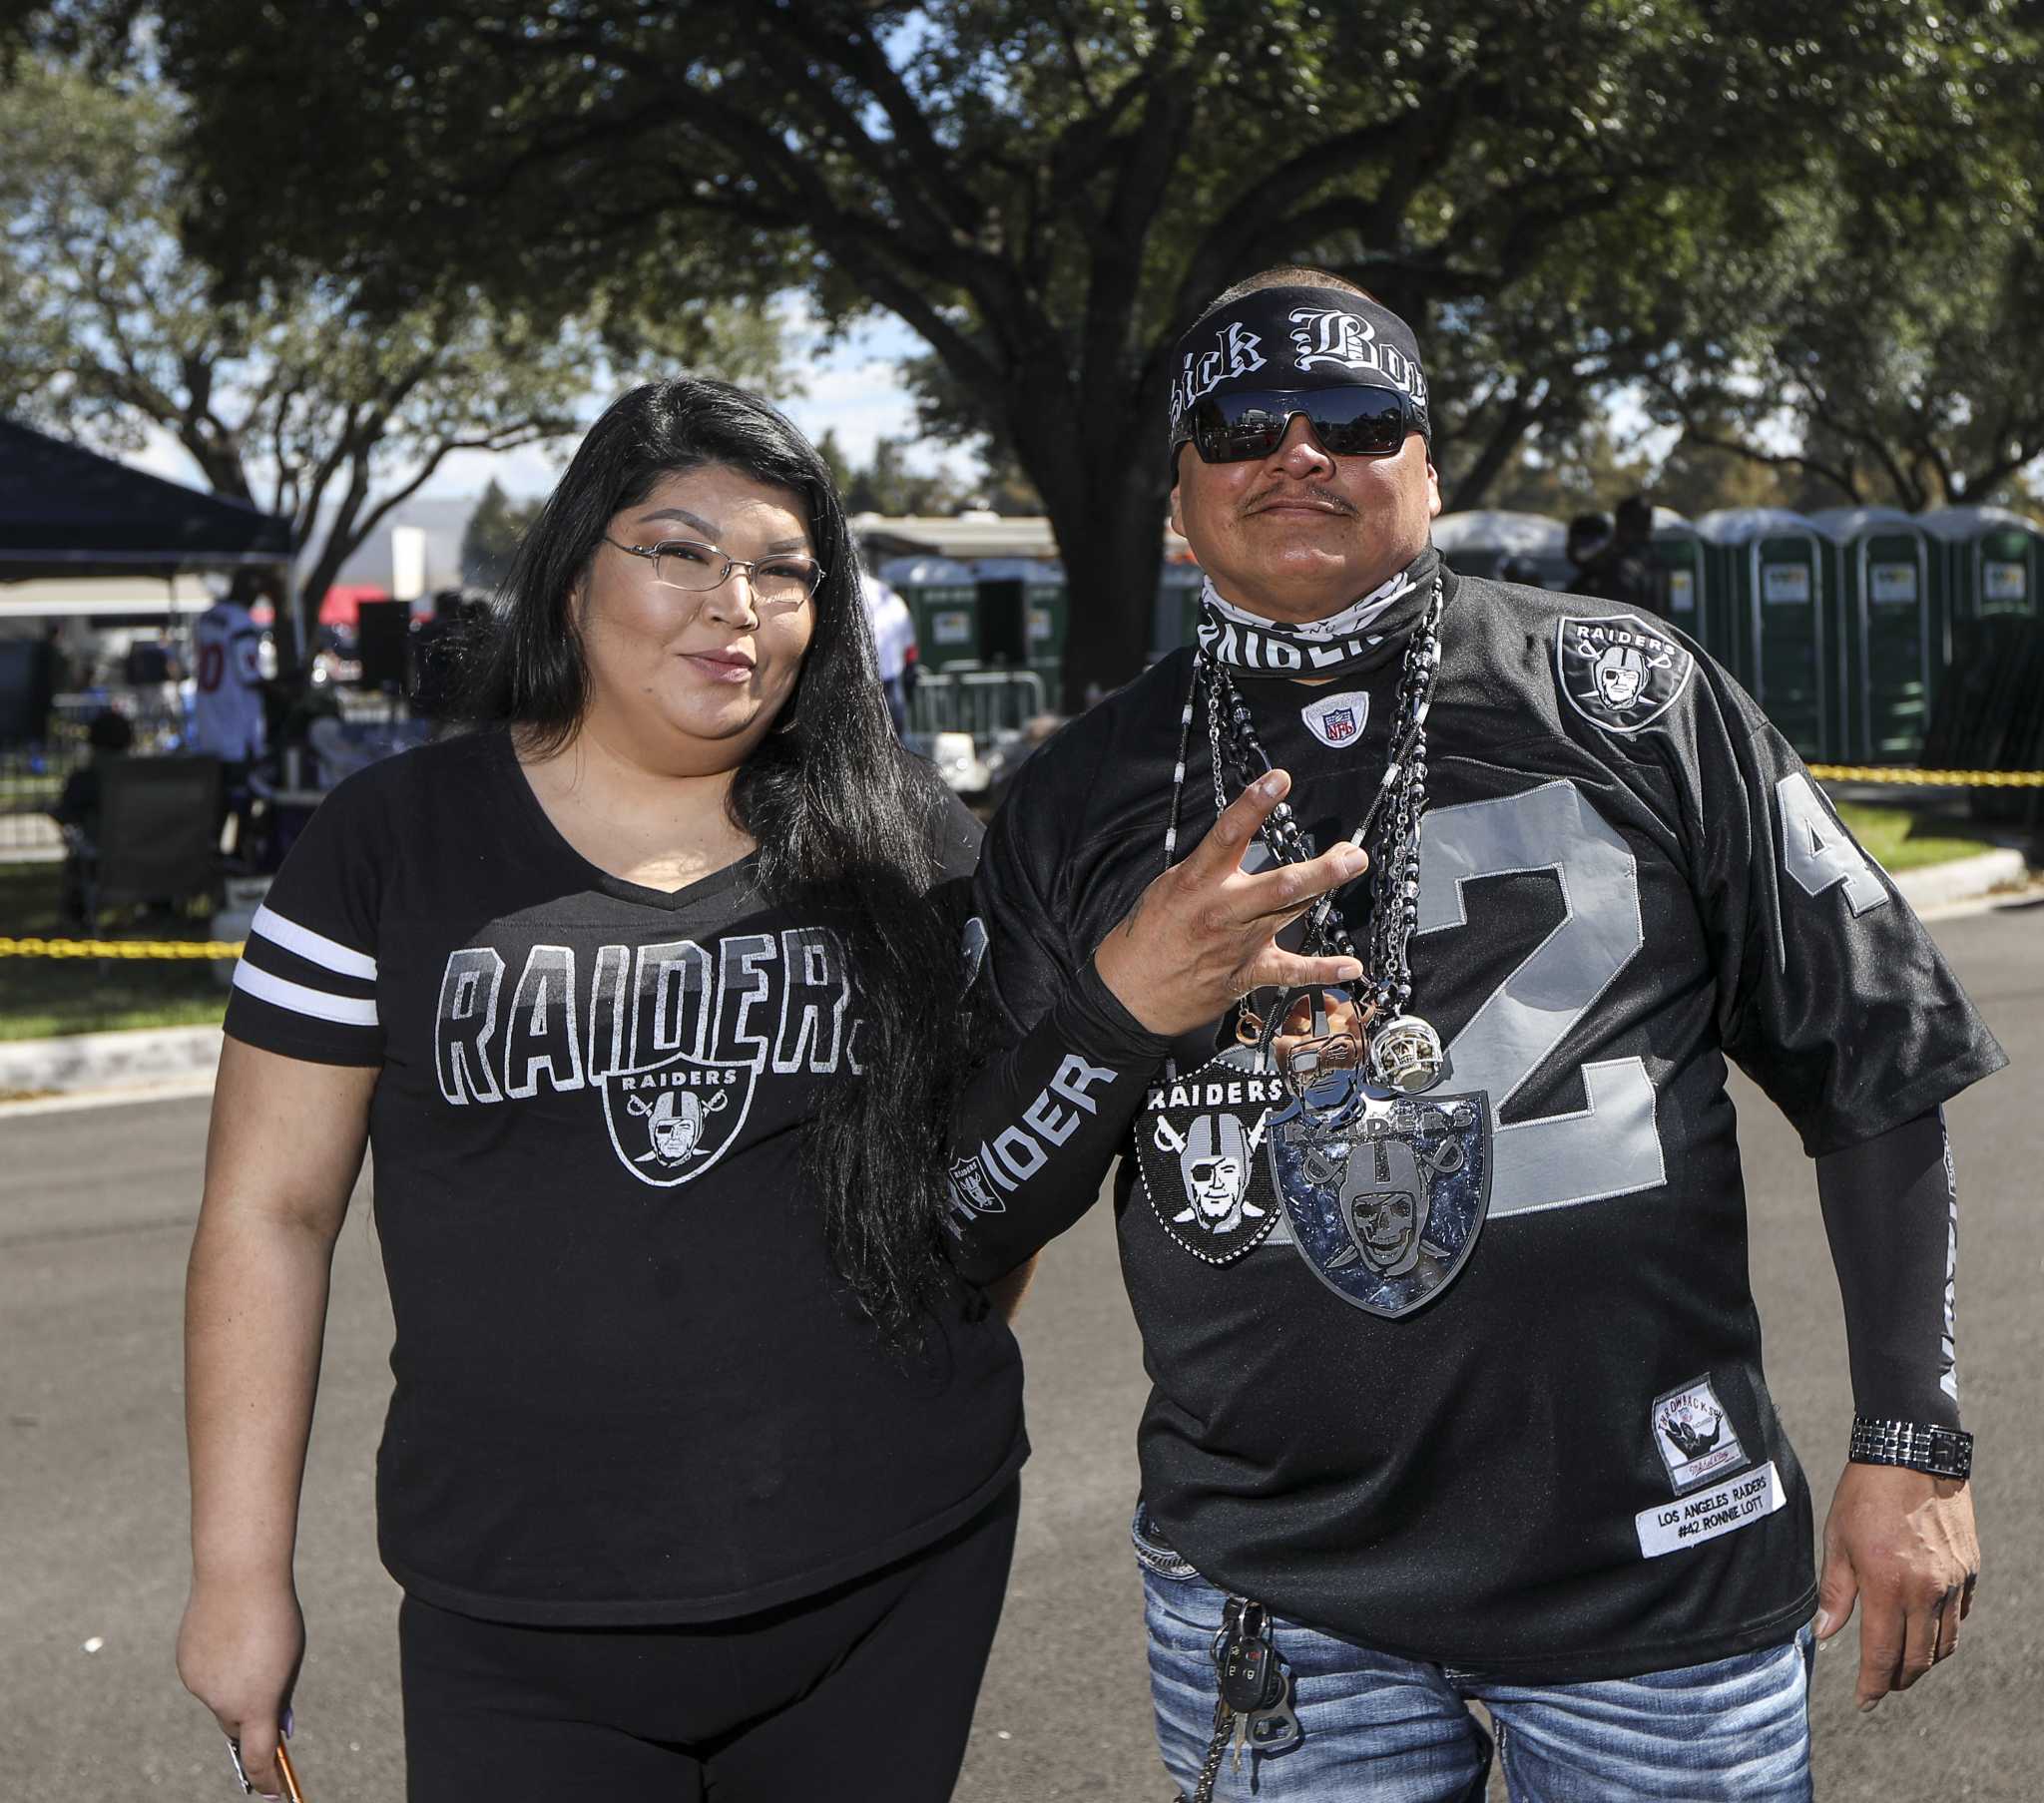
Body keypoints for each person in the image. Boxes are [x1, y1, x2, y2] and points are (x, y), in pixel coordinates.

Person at [944, 267, 1999, 1799]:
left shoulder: (1629, 694)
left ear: (1429, 465)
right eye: (1240, 421)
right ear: (1177, 498)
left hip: (1655, 1565)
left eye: (1357, 415)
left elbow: (1881, 1061)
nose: (1297, 450)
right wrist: (1123, 1007)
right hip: (1277, 1591)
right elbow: (973, 1213)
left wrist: (1915, 1438)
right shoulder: (1078, 792)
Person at [177, 379, 1027, 1803]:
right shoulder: (387, 845)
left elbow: (989, 1185)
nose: (734, 603)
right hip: (516, 1608)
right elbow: (271, 1211)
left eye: (779, 569)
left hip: (890, 1570)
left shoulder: (915, 852)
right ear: (573, 580)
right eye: (680, 550)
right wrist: (237, 1575)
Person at [859, 552, 919, 735]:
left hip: (865, 681)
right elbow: (909, 644)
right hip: (888, 681)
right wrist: (910, 670)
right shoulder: (892, 600)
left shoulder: (852, 594)